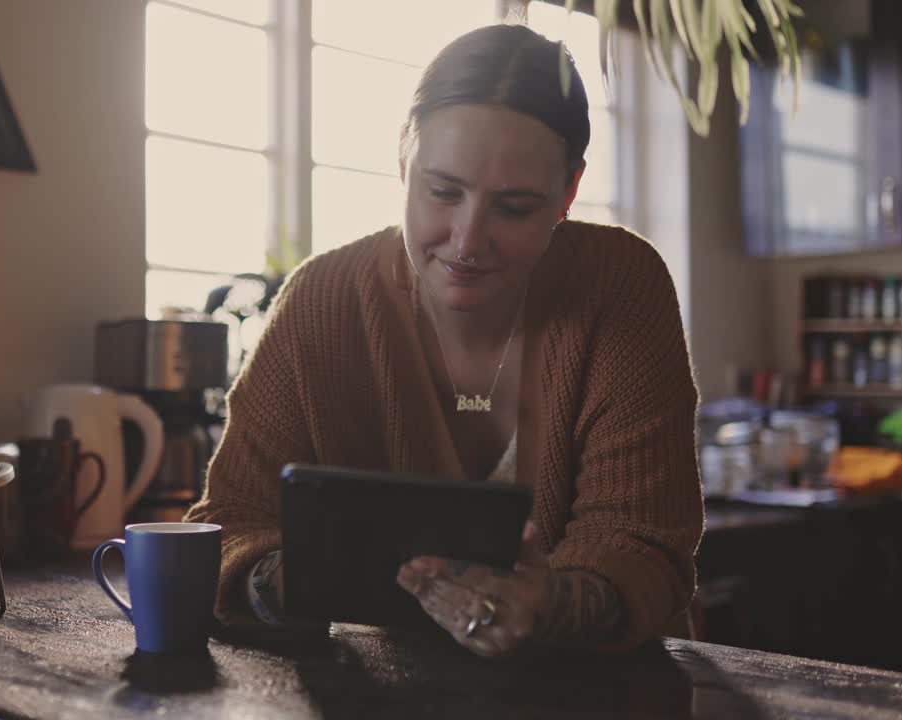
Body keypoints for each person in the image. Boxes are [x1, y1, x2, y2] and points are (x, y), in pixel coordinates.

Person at [183, 22, 703, 657]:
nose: (466, 241)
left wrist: (556, 606)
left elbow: (643, 543)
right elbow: (226, 527)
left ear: (568, 191)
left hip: (605, 689)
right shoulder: (322, 300)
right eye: (442, 192)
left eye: (513, 207)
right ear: (403, 162)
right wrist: (305, 578)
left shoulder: (619, 284)